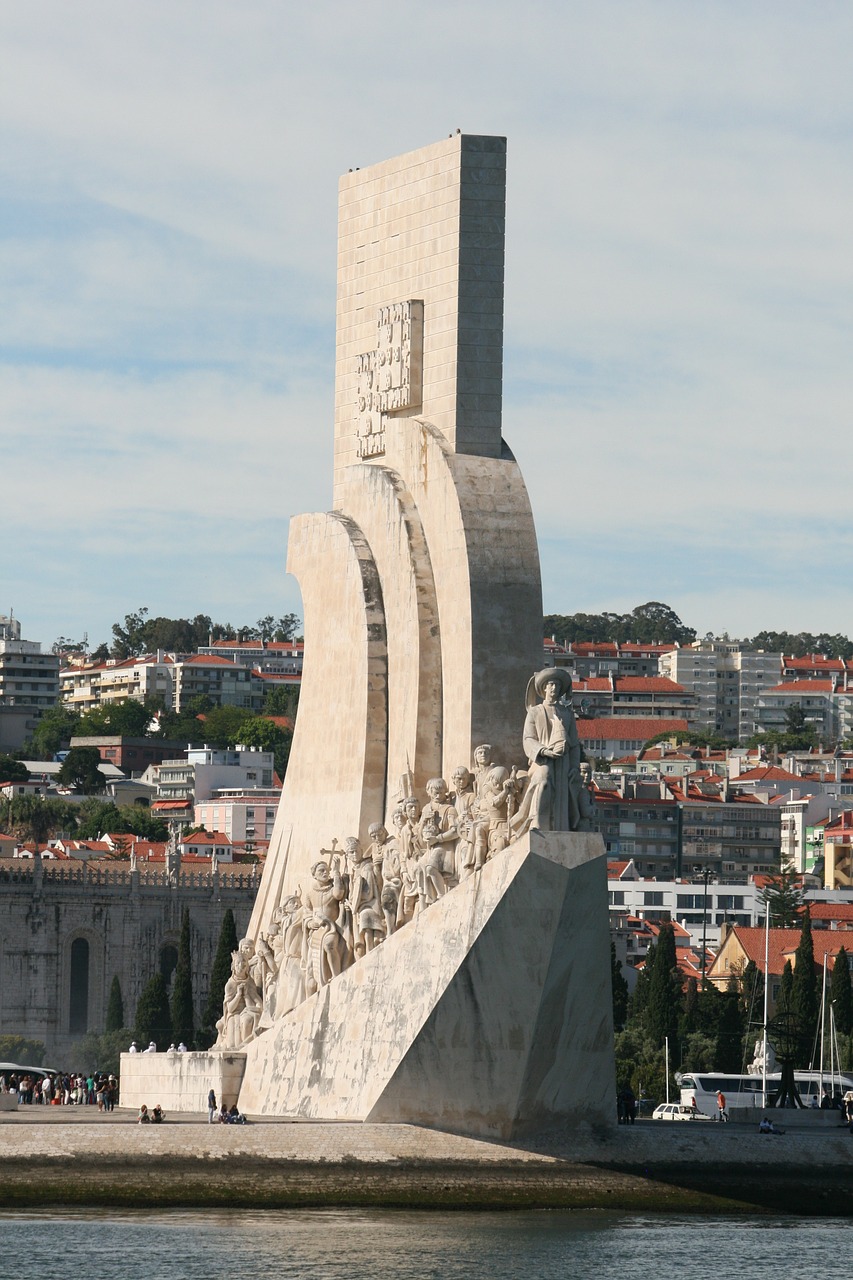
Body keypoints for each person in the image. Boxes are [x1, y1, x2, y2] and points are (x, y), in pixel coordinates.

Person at [512, 668, 582, 836]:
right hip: (541, 761)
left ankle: (561, 829)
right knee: (544, 776)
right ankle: (534, 820)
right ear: (544, 688)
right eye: (551, 684)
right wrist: (544, 751)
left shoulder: (567, 714)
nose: (554, 688)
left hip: (563, 763)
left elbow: (574, 745)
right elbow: (528, 739)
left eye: (557, 685)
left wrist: (574, 767)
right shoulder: (535, 712)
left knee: (562, 797)